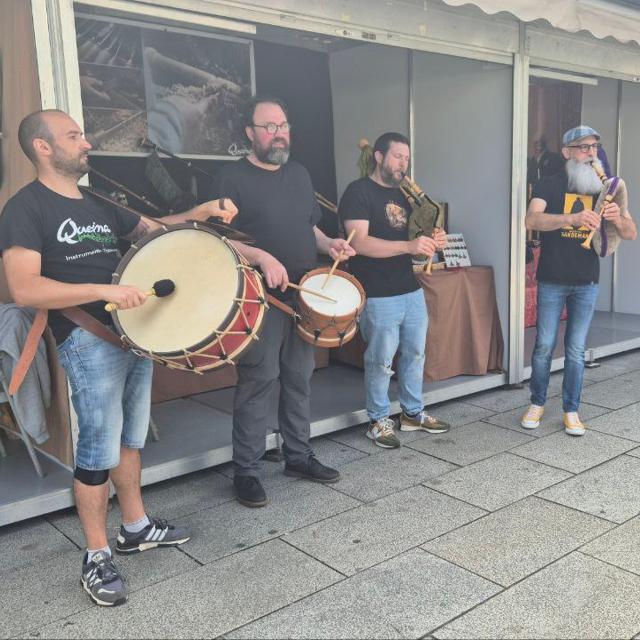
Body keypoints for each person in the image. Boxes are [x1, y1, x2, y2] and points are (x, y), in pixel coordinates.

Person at [0, 109, 234, 607]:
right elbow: (24, 287)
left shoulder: (96, 201)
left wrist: (199, 214)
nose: (85, 144)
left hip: (134, 335)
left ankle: (135, 526)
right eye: (73, 135)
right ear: (42, 147)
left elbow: (153, 230)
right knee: (96, 454)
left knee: (130, 439)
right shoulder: (26, 208)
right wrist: (106, 287)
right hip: (86, 339)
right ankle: (96, 555)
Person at [214, 95, 355, 508]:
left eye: (283, 126)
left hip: (302, 291)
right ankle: (248, 470)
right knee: (260, 379)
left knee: (299, 375)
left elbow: (309, 227)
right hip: (259, 298)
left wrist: (331, 244)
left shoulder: (298, 173)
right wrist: (261, 257)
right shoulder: (231, 179)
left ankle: (298, 455)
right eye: (269, 127)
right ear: (250, 134)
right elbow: (217, 240)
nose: (278, 134)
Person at [338, 132, 450, 450]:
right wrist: (408, 244)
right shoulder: (358, 192)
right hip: (376, 290)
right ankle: (378, 420)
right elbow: (358, 242)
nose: (403, 163)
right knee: (380, 360)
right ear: (378, 156)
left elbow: (414, 250)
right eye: (397, 156)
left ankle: (412, 413)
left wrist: (430, 244)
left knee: (415, 354)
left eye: (407, 157)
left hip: (409, 288)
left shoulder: (404, 196)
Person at [522, 125, 637, 436]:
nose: (591, 153)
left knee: (575, 349)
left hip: (586, 281)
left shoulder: (604, 188)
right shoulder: (550, 183)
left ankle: (571, 410)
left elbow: (630, 233)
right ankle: (537, 403)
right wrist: (570, 219)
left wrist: (617, 217)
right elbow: (531, 220)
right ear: (566, 152)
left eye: (595, 147)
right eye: (584, 147)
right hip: (551, 278)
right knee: (544, 345)